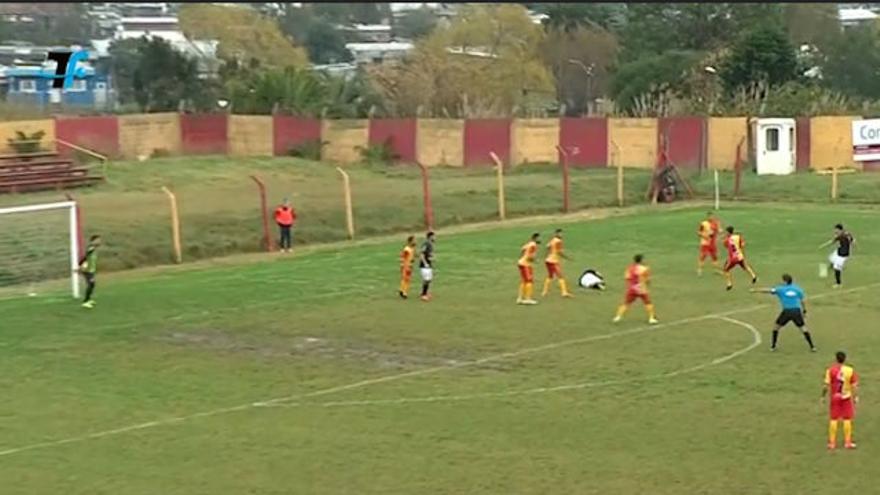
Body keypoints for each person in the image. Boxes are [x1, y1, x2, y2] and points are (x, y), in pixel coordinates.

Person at [750, 274, 816, 352]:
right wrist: (804, 311)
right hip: (796, 311)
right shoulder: (797, 289)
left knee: (776, 327)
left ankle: (773, 346)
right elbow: (802, 301)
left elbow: (768, 290)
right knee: (803, 328)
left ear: (785, 281)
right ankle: (812, 346)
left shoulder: (780, 289)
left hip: (787, 311)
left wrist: (756, 290)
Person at [822, 351, 859, 450]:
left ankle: (832, 443)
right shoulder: (850, 370)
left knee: (833, 419)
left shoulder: (830, 370)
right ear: (845, 359)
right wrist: (855, 397)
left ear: (836, 359)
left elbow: (826, 385)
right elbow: (854, 386)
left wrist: (823, 396)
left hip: (835, 397)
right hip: (846, 397)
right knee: (847, 419)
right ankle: (847, 442)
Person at [613, 254, 658, 324]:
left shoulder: (630, 268)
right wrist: (647, 285)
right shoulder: (644, 269)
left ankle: (618, 317)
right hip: (642, 288)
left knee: (626, 303)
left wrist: (630, 286)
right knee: (648, 303)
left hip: (632, 288)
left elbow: (627, 277)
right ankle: (651, 318)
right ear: (641, 260)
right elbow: (647, 279)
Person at [819, 224, 855, 288]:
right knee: (831, 258)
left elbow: (833, 241)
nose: (835, 231)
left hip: (843, 254)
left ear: (839, 229)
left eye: (836, 230)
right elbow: (853, 241)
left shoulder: (843, 235)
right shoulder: (845, 234)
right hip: (838, 251)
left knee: (836, 268)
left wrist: (823, 246)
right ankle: (832, 268)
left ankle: (838, 283)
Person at [723, 226, 758, 290]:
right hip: (740, 255)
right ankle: (753, 276)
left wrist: (726, 238)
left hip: (733, 258)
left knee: (726, 270)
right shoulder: (738, 236)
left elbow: (725, 245)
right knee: (745, 266)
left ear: (728, 232)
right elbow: (742, 244)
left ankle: (729, 284)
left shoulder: (727, 240)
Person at [541, 228, 573, 298]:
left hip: (548, 260)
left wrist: (546, 255)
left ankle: (544, 291)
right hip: (553, 261)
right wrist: (567, 257)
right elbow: (559, 252)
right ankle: (564, 292)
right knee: (560, 276)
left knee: (550, 276)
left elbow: (547, 247)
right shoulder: (558, 241)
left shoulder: (552, 240)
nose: (562, 235)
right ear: (556, 234)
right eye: (560, 233)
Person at [78, 235, 101, 309]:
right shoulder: (91, 248)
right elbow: (84, 257)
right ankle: (85, 302)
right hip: (87, 270)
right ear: (93, 241)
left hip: (91, 270)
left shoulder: (94, 249)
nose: (99, 241)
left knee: (92, 284)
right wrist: (80, 265)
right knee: (91, 284)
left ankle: (89, 299)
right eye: (97, 240)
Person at [517, 233, 540, 305]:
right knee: (529, 281)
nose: (540, 239)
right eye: (539, 238)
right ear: (535, 238)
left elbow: (522, 249)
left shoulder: (529, 244)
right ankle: (528, 298)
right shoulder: (533, 245)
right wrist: (534, 260)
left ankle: (520, 298)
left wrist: (521, 257)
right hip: (525, 264)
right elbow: (530, 256)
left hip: (521, 263)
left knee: (524, 281)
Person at [697, 211, 721, 276]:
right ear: (707, 217)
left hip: (713, 243)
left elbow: (719, 230)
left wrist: (719, 231)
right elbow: (698, 232)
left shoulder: (716, 223)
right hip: (705, 243)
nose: (711, 217)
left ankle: (716, 270)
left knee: (715, 257)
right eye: (709, 216)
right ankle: (700, 270)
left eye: (712, 216)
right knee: (703, 256)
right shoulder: (703, 223)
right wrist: (704, 236)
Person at [419, 231, 435, 302]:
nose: (435, 238)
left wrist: (431, 258)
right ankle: (423, 295)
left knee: (429, 279)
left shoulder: (430, 244)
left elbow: (429, 254)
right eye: (434, 236)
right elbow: (422, 254)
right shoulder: (426, 244)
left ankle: (425, 292)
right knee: (427, 279)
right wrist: (425, 263)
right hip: (425, 265)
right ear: (430, 236)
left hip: (429, 265)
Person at [398, 235, 417, 299]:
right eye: (414, 240)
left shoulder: (412, 248)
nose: (415, 241)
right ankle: (404, 293)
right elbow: (403, 257)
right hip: (406, 266)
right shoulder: (407, 249)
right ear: (410, 241)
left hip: (410, 265)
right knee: (406, 279)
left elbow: (413, 257)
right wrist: (403, 265)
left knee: (406, 279)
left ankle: (401, 290)